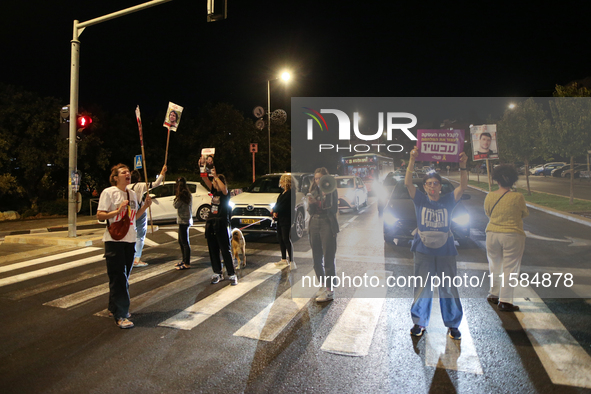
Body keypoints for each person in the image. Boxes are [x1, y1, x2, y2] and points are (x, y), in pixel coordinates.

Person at [405, 146, 468, 340]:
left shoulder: (449, 200)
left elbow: (463, 187)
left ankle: (453, 324)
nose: (432, 186)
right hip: (422, 250)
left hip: (446, 251)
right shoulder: (420, 200)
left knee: (448, 287)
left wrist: (463, 166)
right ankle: (419, 322)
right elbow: (407, 183)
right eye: (429, 184)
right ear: (424, 187)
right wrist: (411, 160)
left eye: (436, 183)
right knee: (423, 286)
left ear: (440, 186)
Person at [97, 163, 152, 329]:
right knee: (119, 277)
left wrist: (145, 206)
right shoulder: (109, 192)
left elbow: (134, 217)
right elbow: (100, 215)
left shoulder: (133, 194)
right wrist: (118, 210)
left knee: (123, 277)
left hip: (129, 239)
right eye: (123, 172)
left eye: (128, 172)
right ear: (115, 177)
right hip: (114, 240)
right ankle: (121, 315)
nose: (127, 174)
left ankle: (113, 307)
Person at [484, 164, 528, 312]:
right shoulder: (518, 197)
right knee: (510, 268)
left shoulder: (490, 195)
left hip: (492, 233)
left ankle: (494, 294)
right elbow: (524, 213)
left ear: (497, 180)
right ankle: (505, 301)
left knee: (494, 265)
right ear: (513, 181)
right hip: (512, 234)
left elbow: (488, 212)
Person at [307, 167, 339, 302]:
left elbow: (333, 209)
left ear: (326, 178)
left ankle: (329, 289)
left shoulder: (332, 190)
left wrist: (320, 201)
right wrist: (311, 203)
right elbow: (309, 211)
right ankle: (322, 284)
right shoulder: (313, 191)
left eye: (320, 178)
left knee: (328, 258)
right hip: (314, 222)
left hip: (327, 222)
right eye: (316, 178)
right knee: (316, 259)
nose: (317, 180)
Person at [202, 167, 237, 285]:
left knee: (225, 249)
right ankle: (217, 272)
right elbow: (205, 179)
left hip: (221, 223)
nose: (214, 183)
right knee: (213, 250)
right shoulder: (214, 192)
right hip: (212, 222)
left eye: (216, 182)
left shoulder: (224, 194)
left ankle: (232, 274)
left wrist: (216, 176)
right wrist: (202, 167)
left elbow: (225, 189)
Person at [127, 165, 167, 267]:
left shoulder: (125, 187)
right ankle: (137, 258)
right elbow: (156, 183)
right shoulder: (140, 185)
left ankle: (129, 258)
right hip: (139, 211)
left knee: (129, 235)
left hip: (128, 213)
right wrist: (162, 172)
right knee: (140, 236)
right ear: (139, 178)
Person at [272, 173, 296, 270]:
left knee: (286, 239)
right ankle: (283, 259)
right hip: (280, 218)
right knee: (280, 238)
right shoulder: (283, 192)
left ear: (287, 182)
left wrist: (276, 210)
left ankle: (292, 261)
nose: (280, 183)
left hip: (287, 218)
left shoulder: (290, 193)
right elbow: (278, 204)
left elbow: (284, 205)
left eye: (282, 181)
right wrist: (274, 211)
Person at [173, 177, 193, 270]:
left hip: (183, 220)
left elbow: (175, 205)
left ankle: (187, 263)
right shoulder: (188, 194)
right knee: (181, 241)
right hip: (186, 219)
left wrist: (176, 197)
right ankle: (184, 260)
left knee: (184, 242)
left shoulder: (181, 196)